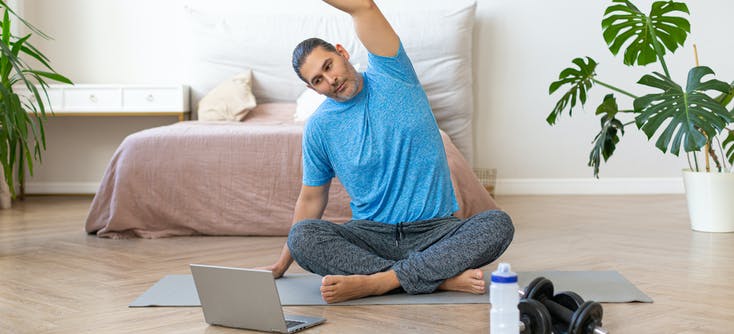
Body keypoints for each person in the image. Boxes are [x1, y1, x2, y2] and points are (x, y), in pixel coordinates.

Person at [258, 0, 514, 304]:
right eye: (318, 80)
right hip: (371, 237)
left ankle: (380, 281)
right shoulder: (319, 128)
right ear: (314, 90)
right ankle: (437, 279)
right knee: (302, 237)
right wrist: (282, 262)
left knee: (498, 224)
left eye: (329, 66)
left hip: (435, 231)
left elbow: (364, 7)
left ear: (342, 52)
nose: (331, 80)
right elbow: (312, 199)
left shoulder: (393, 72)